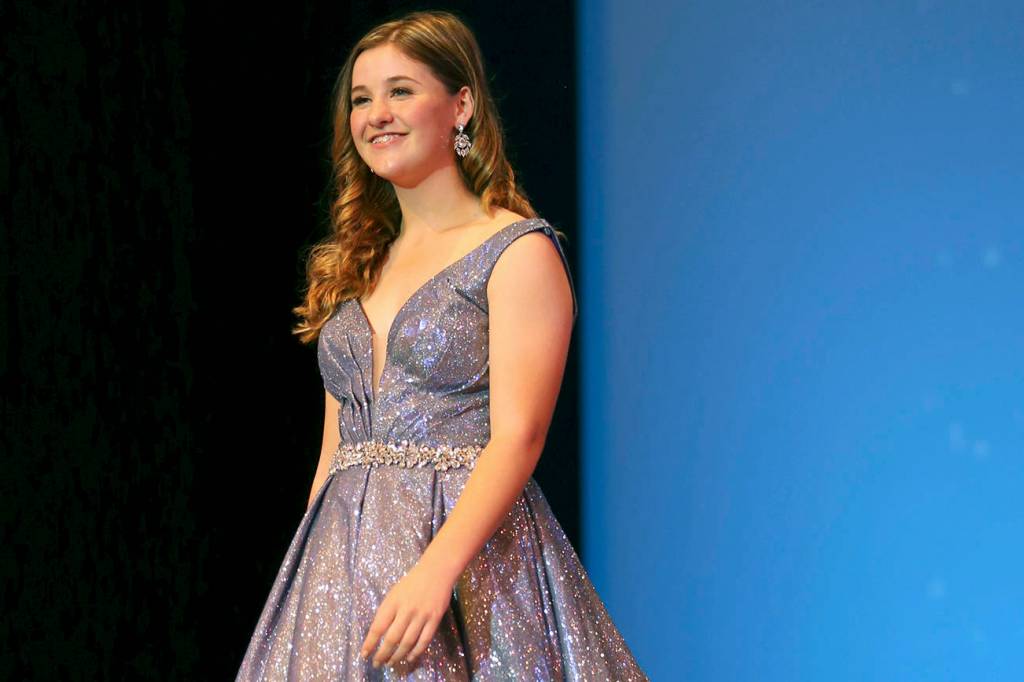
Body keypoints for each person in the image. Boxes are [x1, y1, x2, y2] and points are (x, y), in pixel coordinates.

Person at [236, 10, 648, 680]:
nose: (377, 114)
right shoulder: (355, 266)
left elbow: (519, 435)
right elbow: (335, 452)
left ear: (461, 106)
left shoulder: (515, 251)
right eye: (361, 99)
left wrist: (435, 572)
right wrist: (309, 585)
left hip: (467, 568)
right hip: (341, 567)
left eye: (400, 91)